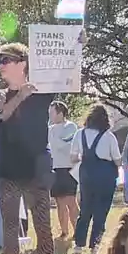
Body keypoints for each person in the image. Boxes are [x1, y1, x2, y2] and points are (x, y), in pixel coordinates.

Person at [0, 43, 56, 254]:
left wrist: (78, 44)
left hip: (36, 169)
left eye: (7, 60)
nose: (2, 66)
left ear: (23, 63)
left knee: (43, 226)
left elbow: (66, 74)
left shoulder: (42, 92)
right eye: (0, 62)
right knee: (10, 227)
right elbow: (0, 118)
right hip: (7, 170)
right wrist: (19, 95)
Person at [71, 104, 121, 254]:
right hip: (105, 174)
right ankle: (94, 247)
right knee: (101, 211)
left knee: (85, 209)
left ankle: (78, 245)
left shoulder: (80, 134)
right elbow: (117, 160)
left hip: (86, 172)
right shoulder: (108, 136)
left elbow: (73, 157)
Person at [48, 100, 79, 239]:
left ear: (60, 113)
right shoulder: (50, 129)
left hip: (68, 169)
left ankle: (78, 231)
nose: (50, 116)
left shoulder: (71, 127)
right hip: (55, 169)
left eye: (52, 112)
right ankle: (64, 231)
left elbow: (65, 145)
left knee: (71, 201)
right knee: (59, 202)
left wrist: (53, 138)